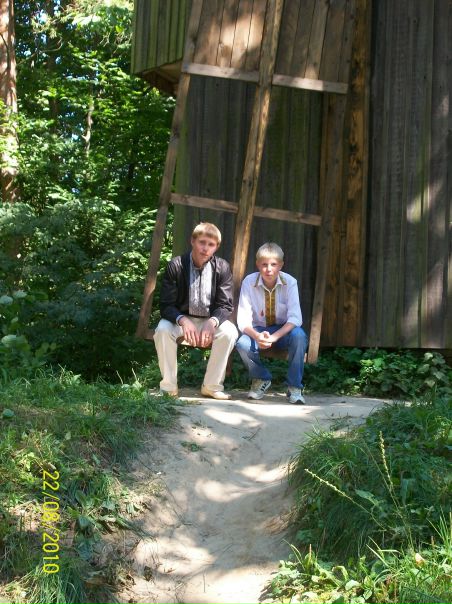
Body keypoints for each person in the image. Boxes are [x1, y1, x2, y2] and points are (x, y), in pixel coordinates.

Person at [154, 222, 238, 400]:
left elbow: (225, 305)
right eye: (202, 242)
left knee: (229, 332)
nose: (205, 248)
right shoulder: (176, 265)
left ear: (216, 247)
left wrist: (213, 321)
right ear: (193, 241)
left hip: (209, 321)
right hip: (181, 319)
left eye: (211, 244)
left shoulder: (222, 267)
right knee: (162, 330)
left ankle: (212, 386)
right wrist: (182, 320)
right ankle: (168, 388)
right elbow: (166, 304)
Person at [236, 242, 308, 404]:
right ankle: (261, 378)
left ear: (281, 265)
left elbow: (295, 318)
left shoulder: (290, 282)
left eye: (274, 264)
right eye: (264, 264)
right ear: (257, 265)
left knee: (299, 336)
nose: (269, 269)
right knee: (242, 343)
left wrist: (274, 337)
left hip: (283, 331)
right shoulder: (249, 282)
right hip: (258, 330)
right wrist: (257, 336)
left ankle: (294, 386)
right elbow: (243, 319)